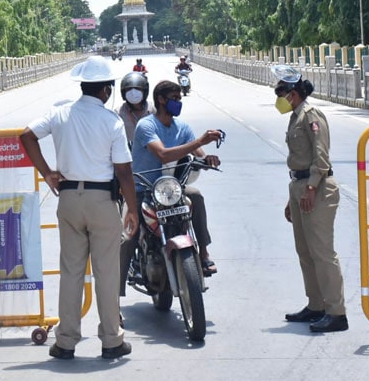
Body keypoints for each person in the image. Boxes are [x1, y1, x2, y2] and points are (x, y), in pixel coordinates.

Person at [19, 56, 138, 360]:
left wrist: (47, 173)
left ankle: (66, 341)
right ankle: (112, 341)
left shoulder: (60, 114)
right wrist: (133, 210)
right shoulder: (111, 121)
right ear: (106, 90)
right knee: (106, 272)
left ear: (83, 86)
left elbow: (26, 136)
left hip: (69, 198)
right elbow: (124, 171)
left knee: (71, 272)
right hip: (102, 200)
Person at [121, 80, 222, 297]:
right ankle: (115, 295)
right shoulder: (147, 125)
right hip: (144, 189)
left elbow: (199, 153)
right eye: (174, 99)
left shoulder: (182, 127)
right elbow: (163, 154)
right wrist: (199, 141)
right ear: (161, 100)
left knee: (195, 196)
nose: (178, 103)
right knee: (131, 233)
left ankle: (203, 253)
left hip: (170, 190)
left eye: (179, 99)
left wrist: (208, 159)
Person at [273, 65, 347, 333]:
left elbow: (321, 155)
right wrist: (293, 195)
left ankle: (336, 312)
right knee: (305, 251)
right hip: (299, 185)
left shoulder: (311, 115)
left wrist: (313, 187)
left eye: (280, 91)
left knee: (323, 253)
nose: (278, 97)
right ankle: (316, 305)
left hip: (317, 187)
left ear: (293, 93)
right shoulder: (295, 116)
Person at [117, 72, 153, 146]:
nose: (133, 93)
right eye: (129, 89)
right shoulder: (118, 113)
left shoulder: (153, 109)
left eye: (137, 88)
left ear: (145, 91)